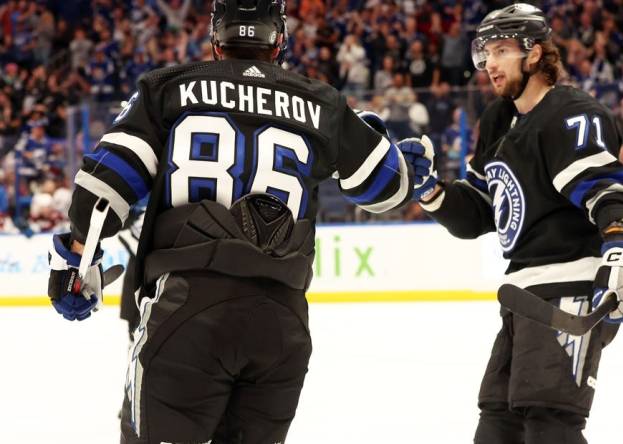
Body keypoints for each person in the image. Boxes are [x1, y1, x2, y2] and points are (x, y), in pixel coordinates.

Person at [46, 1, 418, 442]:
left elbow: (103, 190)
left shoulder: (167, 88)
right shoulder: (325, 104)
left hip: (188, 306)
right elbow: (388, 188)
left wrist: (75, 257)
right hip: (282, 322)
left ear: (216, 41)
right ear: (279, 40)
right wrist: (374, 136)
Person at [399, 5, 623, 443]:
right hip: (522, 298)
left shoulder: (570, 113)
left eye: (501, 50)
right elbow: (478, 213)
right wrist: (429, 190)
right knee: (498, 426)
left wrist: (620, 240)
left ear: (534, 54)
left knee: (549, 424)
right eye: (485, 54)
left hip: (568, 291)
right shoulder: (498, 120)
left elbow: (607, 191)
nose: (490, 65)